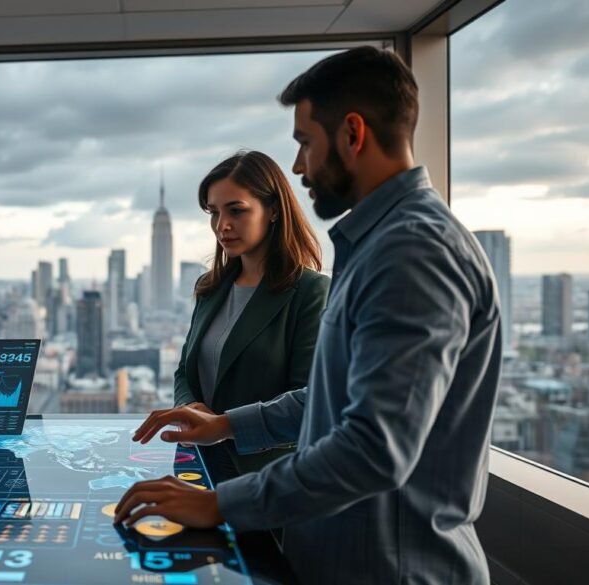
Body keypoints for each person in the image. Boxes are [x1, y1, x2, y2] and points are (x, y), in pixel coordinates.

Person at [115, 46, 502, 584]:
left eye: (304, 143)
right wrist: (225, 425)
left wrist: (218, 504)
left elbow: (373, 449)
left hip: (390, 569)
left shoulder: (413, 252)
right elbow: (328, 398)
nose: (297, 167)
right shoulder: (377, 245)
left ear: (352, 133)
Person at [174, 151, 328, 481]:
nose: (221, 225)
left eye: (236, 211)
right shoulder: (210, 287)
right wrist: (191, 407)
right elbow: (185, 371)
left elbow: (312, 402)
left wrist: (224, 426)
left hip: (270, 482)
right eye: (213, 212)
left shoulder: (310, 292)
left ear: (273, 210)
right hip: (199, 469)